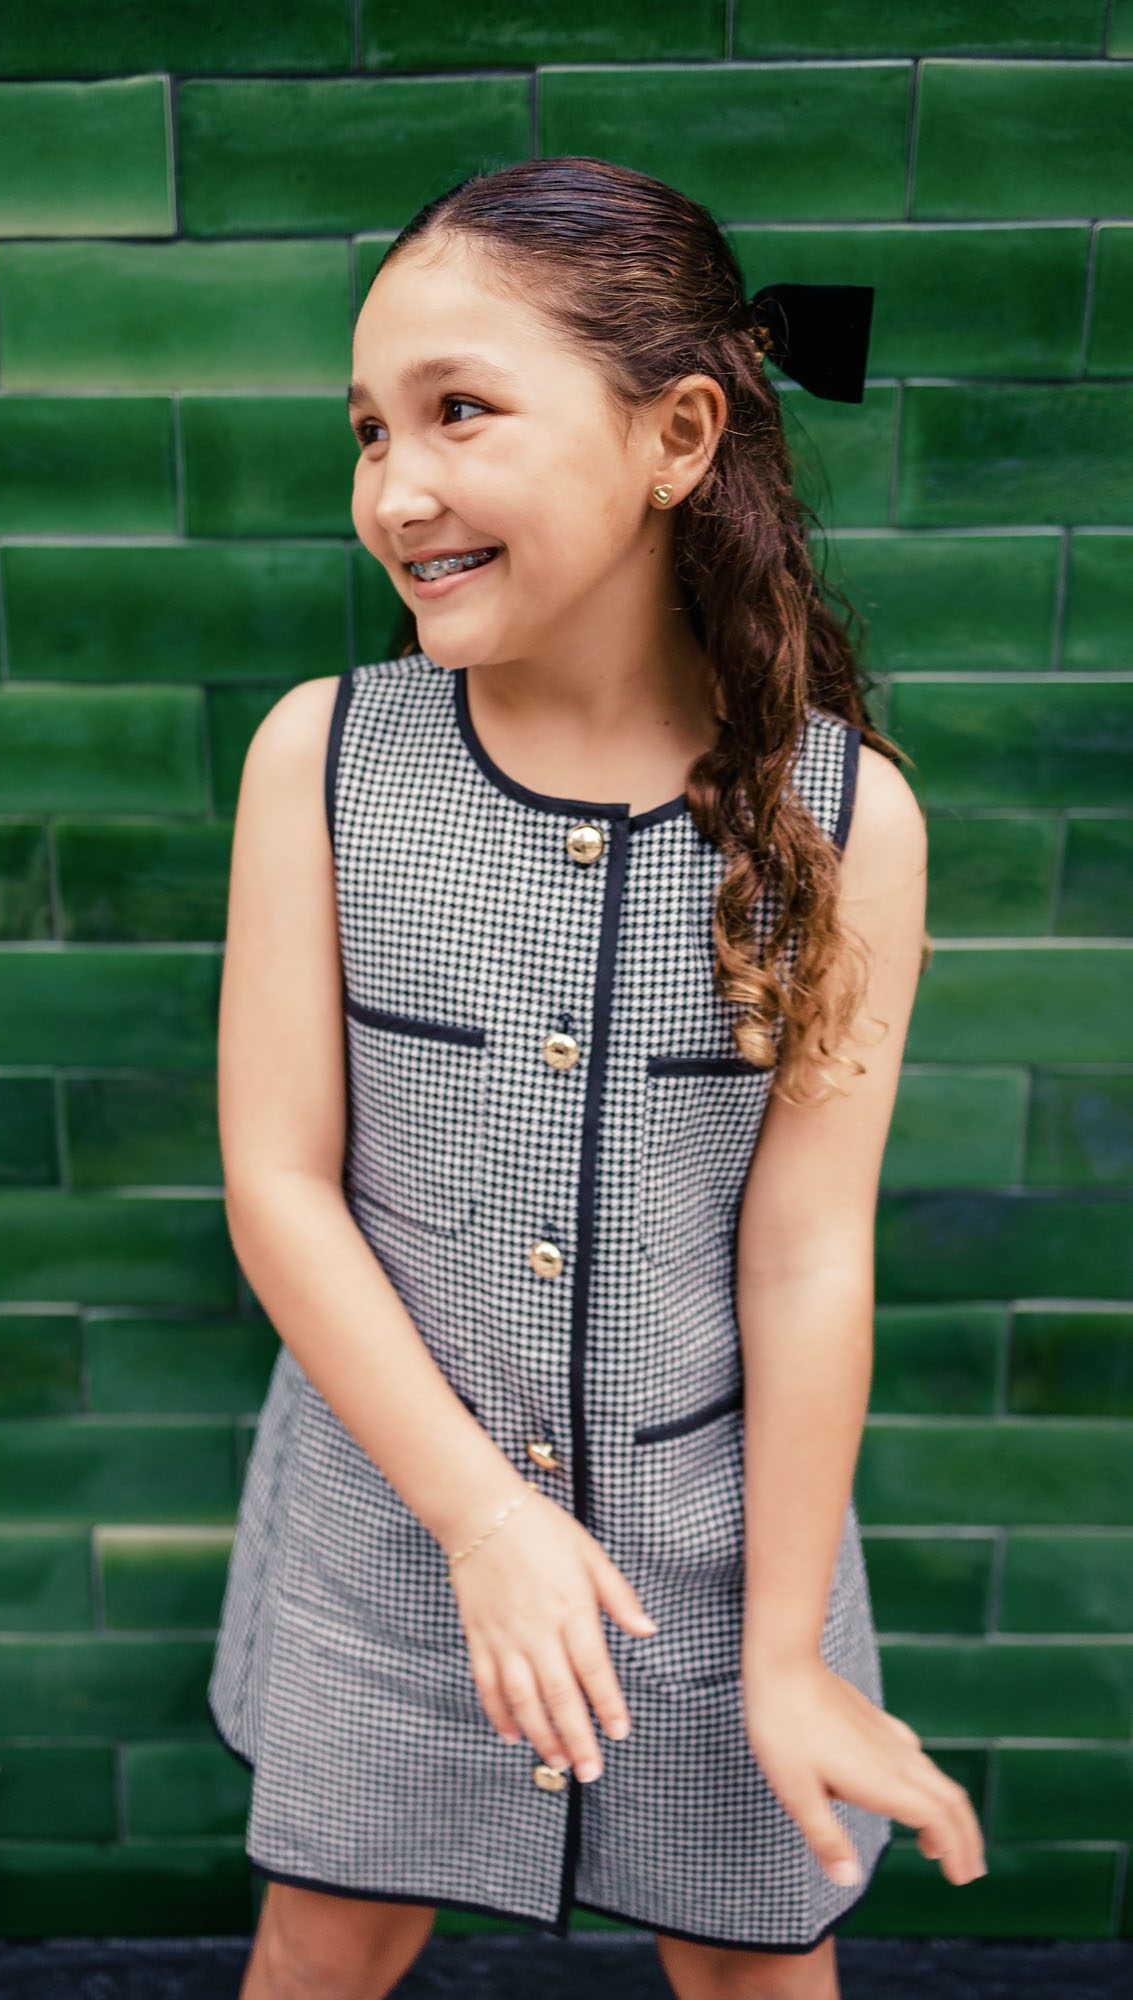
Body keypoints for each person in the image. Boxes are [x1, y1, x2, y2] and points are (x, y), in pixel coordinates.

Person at [207, 155, 987, 2000]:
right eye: (366, 430)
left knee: (751, 1949)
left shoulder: (849, 820)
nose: (394, 490)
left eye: (458, 412)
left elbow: (805, 1256)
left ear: (678, 433)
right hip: (386, 1523)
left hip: (724, 1555)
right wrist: (483, 1519)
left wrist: (783, 1649)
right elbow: (277, 1182)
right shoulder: (319, 763)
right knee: (329, 1931)